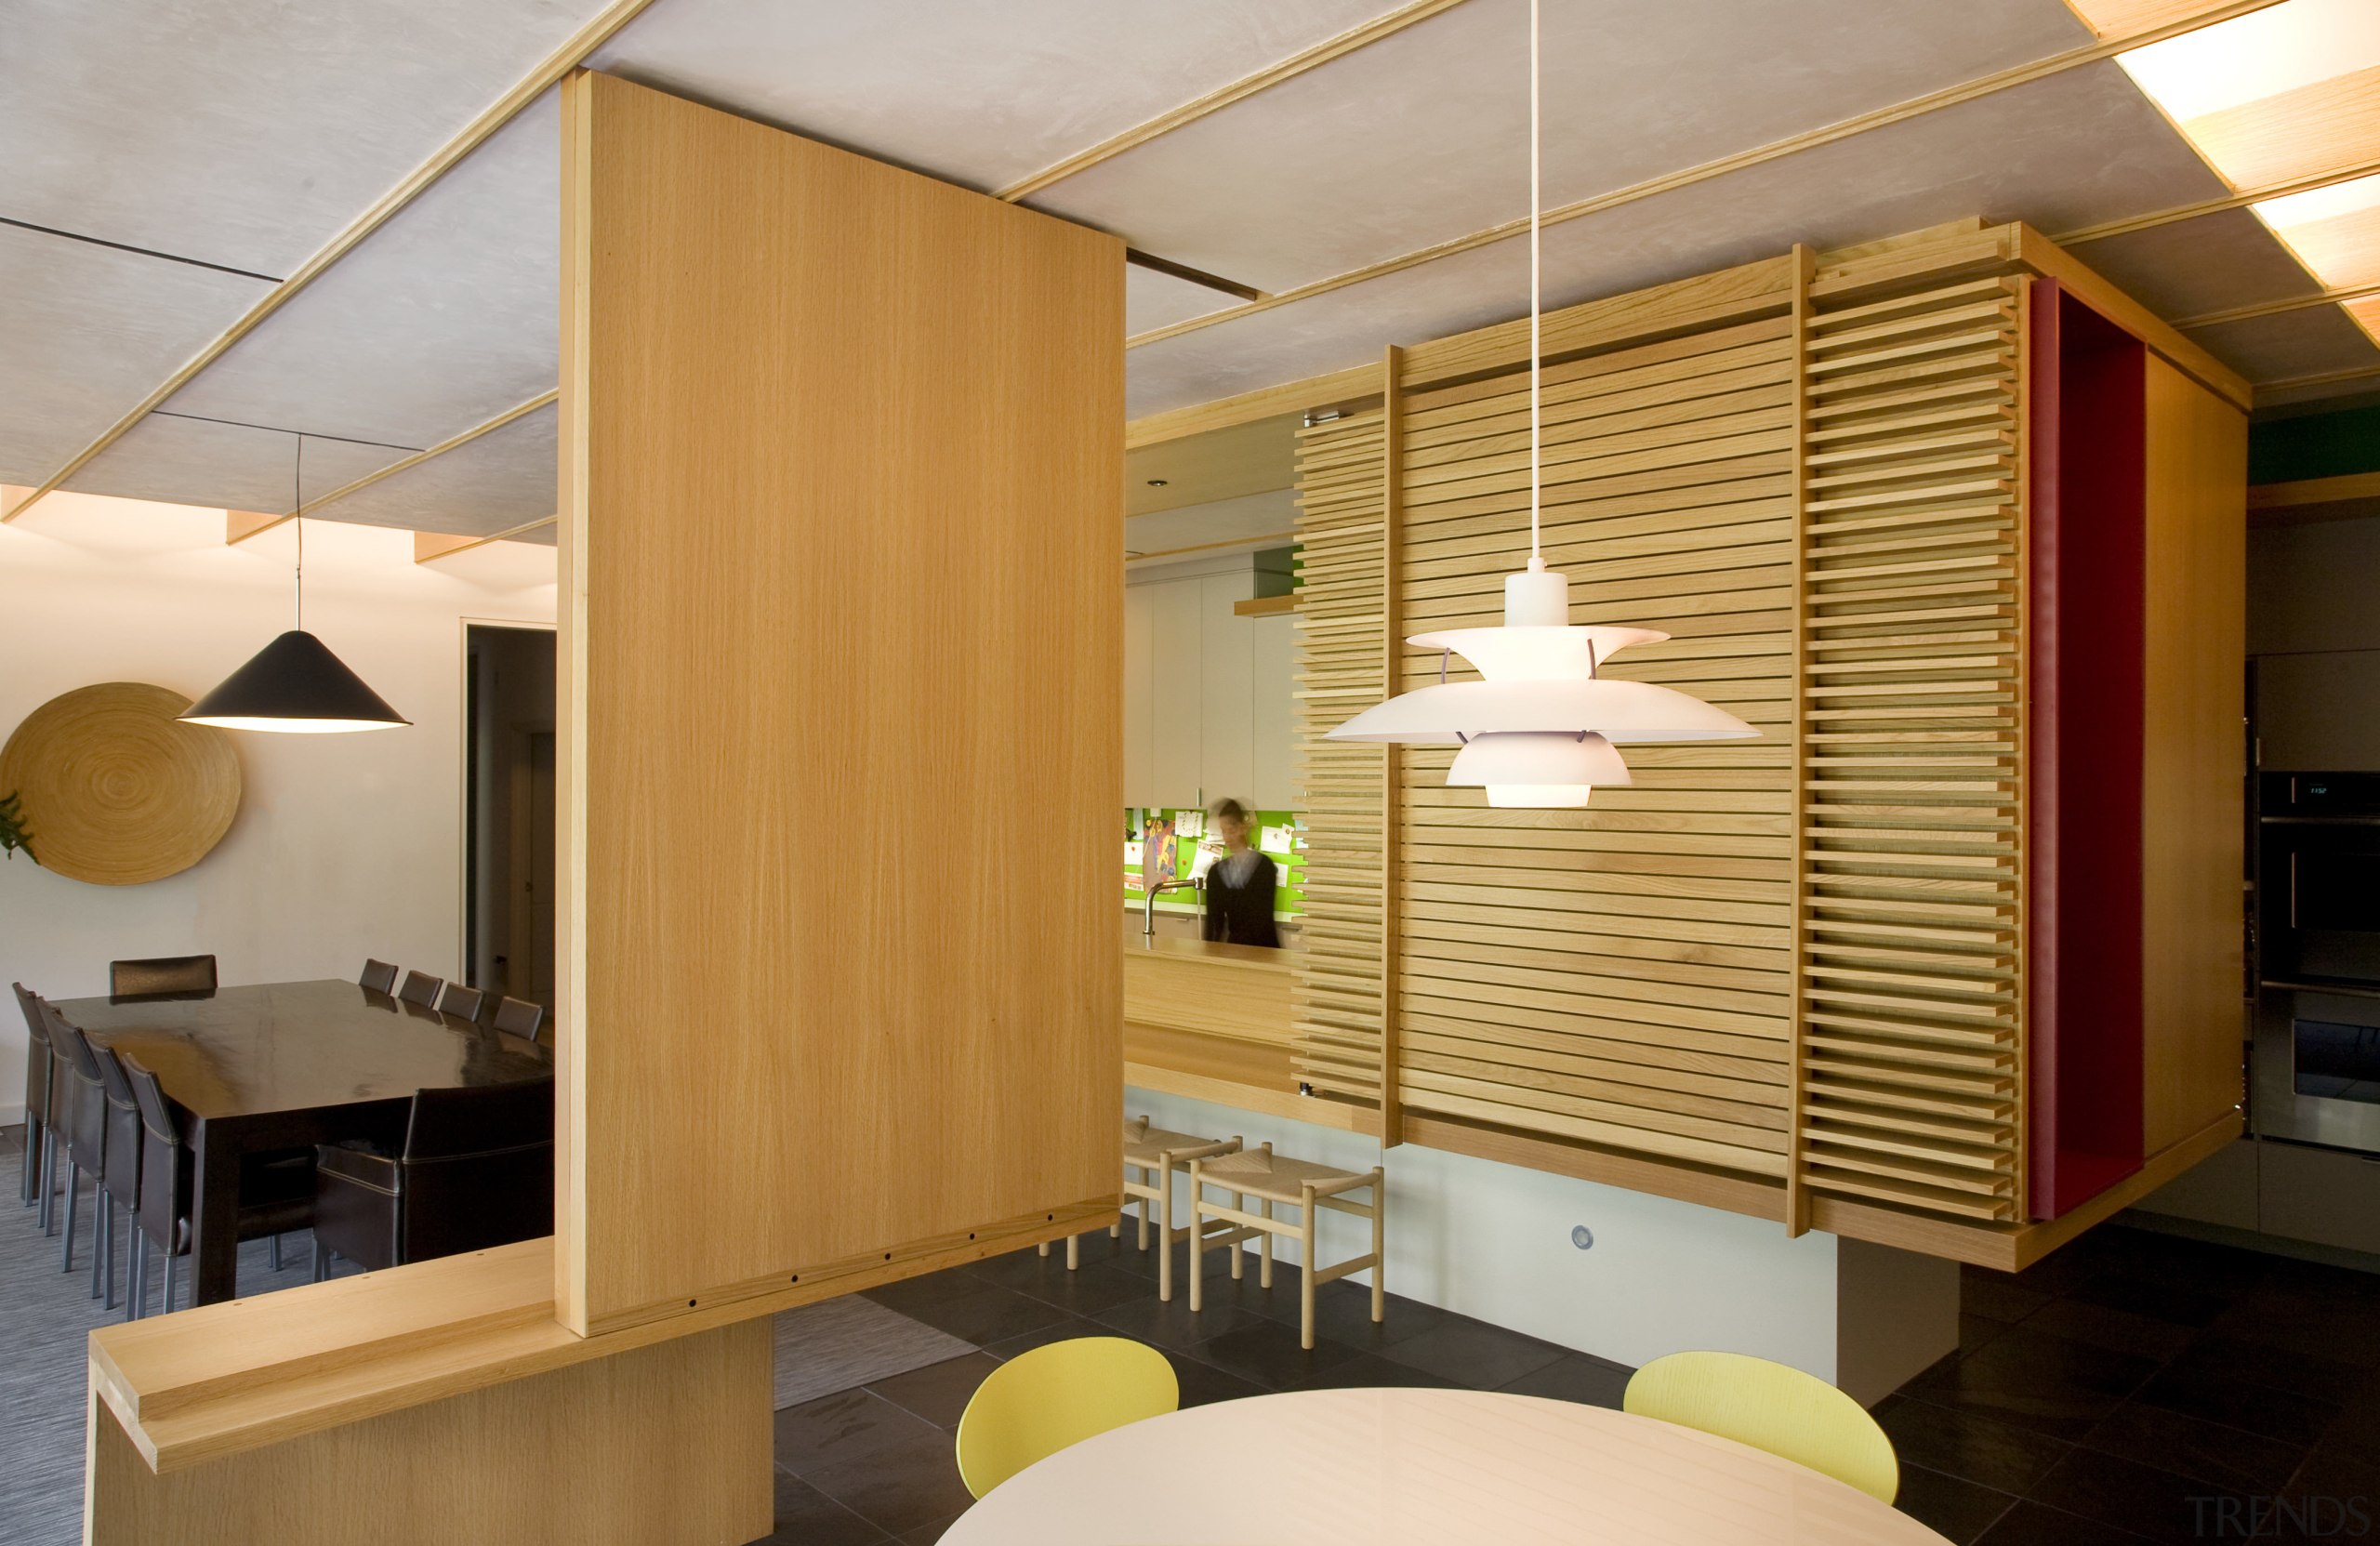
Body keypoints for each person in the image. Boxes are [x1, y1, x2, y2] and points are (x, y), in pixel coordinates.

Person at [1200, 798, 1279, 948]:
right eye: (1224, 831)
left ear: (1243, 828)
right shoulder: (1216, 873)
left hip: (1266, 951)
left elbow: (1264, 920)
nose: (1228, 837)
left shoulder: (1265, 867)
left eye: (1232, 830)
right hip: (1235, 950)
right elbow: (1213, 925)